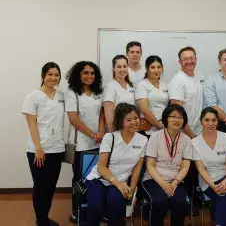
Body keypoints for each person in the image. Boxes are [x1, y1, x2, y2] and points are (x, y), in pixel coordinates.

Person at [85, 103, 148, 226]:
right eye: (128, 120)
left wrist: (132, 189)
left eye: (136, 118)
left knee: (116, 205)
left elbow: (137, 168)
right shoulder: (110, 137)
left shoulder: (143, 140)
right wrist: (117, 182)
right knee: (96, 207)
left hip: (121, 183)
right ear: (121, 122)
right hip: (99, 179)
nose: (134, 122)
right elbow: (101, 167)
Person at [22, 62, 65, 226]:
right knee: (40, 186)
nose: (53, 78)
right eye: (50, 75)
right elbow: (32, 125)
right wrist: (38, 148)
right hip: (38, 150)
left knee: (51, 186)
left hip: (57, 149)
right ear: (43, 76)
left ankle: (44, 217)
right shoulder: (33, 96)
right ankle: (41, 220)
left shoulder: (62, 96)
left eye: (56, 75)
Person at [65, 61, 105, 223]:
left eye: (92, 73)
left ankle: (95, 210)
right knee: (80, 179)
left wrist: (101, 132)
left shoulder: (98, 93)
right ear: (78, 75)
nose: (89, 76)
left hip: (99, 143)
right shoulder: (72, 93)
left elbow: (102, 114)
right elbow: (73, 118)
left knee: (97, 178)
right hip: (81, 145)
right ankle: (77, 212)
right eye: (85, 73)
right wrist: (92, 134)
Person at [192, 107, 226, 226]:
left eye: (214, 120)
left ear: (218, 121)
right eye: (206, 120)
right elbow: (201, 169)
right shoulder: (195, 142)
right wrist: (214, 186)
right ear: (201, 121)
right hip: (209, 179)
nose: (210, 123)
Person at [142, 104, 192, 226]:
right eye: (173, 116)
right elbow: (150, 165)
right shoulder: (155, 136)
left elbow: (185, 166)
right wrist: (163, 184)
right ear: (166, 118)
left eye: (180, 117)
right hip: (154, 179)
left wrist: (175, 182)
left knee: (179, 202)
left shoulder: (186, 140)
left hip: (176, 180)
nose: (177, 120)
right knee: (159, 202)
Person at [168, 46, 204, 138]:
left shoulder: (199, 77)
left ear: (196, 59)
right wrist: (191, 136)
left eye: (192, 58)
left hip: (199, 131)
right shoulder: (177, 81)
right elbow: (177, 113)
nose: (189, 61)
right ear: (180, 62)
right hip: (184, 134)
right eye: (185, 59)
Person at [135, 55, 169, 136]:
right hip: (148, 130)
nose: (156, 70)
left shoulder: (165, 85)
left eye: (159, 67)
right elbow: (145, 110)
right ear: (147, 69)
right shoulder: (142, 85)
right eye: (152, 67)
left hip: (164, 127)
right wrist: (159, 126)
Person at [103, 55, 135, 132]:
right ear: (114, 68)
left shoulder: (131, 86)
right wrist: (113, 135)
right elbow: (109, 116)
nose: (122, 69)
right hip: (118, 131)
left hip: (131, 129)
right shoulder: (110, 87)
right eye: (119, 67)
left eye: (125, 66)